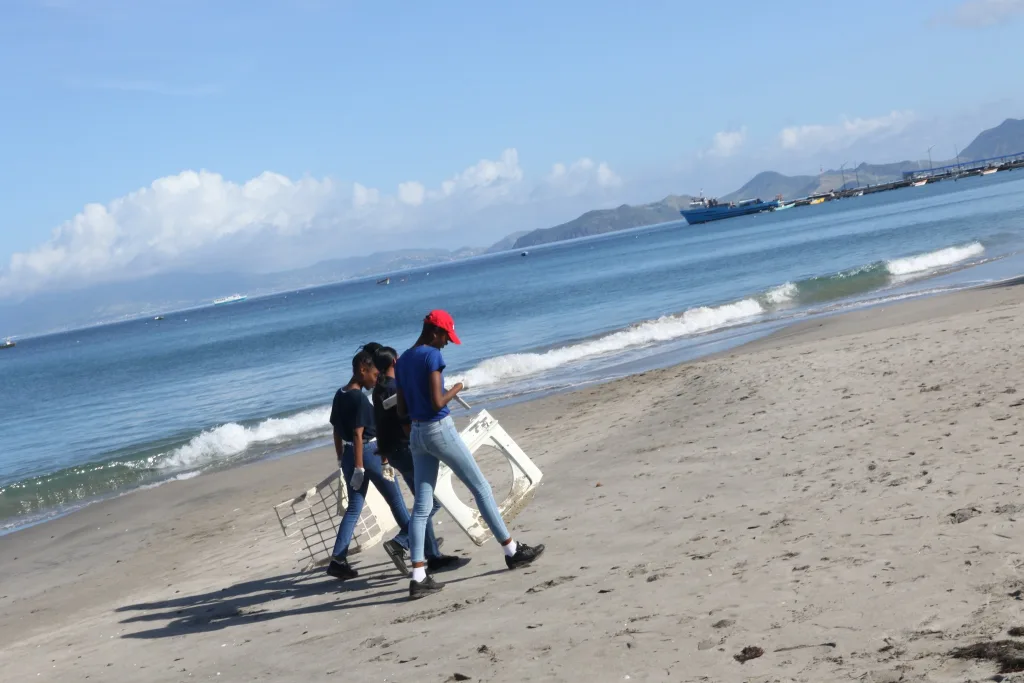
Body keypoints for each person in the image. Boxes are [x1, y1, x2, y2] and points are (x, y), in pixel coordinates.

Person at [396, 310, 544, 600]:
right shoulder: (432, 356)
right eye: (446, 337)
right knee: (481, 488)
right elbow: (438, 402)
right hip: (439, 429)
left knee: (421, 507)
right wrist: (458, 387)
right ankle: (512, 551)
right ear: (434, 331)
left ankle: (418, 576)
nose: (447, 343)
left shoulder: (402, 361)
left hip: (416, 433)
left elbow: (401, 409)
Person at [371, 345, 467, 573]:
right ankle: (401, 541)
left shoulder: (379, 389)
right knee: (431, 502)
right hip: (405, 448)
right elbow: (405, 418)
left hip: (393, 451)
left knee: (422, 501)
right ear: (395, 362)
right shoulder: (394, 387)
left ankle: (432, 555)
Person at [325, 349, 412, 581]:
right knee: (395, 499)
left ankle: (337, 560)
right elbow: (358, 433)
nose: (376, 379)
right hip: (366, 452)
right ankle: (416, 540)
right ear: (362, 370)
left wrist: (341, 457)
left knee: (354, 507)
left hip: (348, 454)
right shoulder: (360, 399)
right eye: (374, 374)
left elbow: (336, 430)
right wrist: (361, 467)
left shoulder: (340, 394)